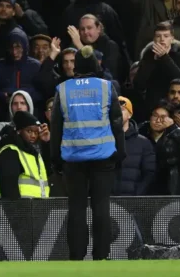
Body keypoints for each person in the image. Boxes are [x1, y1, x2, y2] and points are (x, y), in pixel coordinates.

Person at [51, 46, 125, 261]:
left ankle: (76, 255)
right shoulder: (106, 87)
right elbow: (117, 123)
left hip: (73, 159)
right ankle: (101, 255)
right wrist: (120, 152)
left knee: (76, 208)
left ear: (76, 66)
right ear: (95, 65)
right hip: (103, 157)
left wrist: (55, 157)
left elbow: (56, 127)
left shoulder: (63, 90)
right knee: (101, 206)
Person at [0, 110, 50, 199]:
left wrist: (46, 143)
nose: (33, 135)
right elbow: (9, 193)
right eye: (29, 131)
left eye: (36, 132)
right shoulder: (10, 152)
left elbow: (48, 174)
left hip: (34, 211)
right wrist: (18, 212)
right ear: (18, 131)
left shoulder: (31, 153)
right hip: (13, 211)